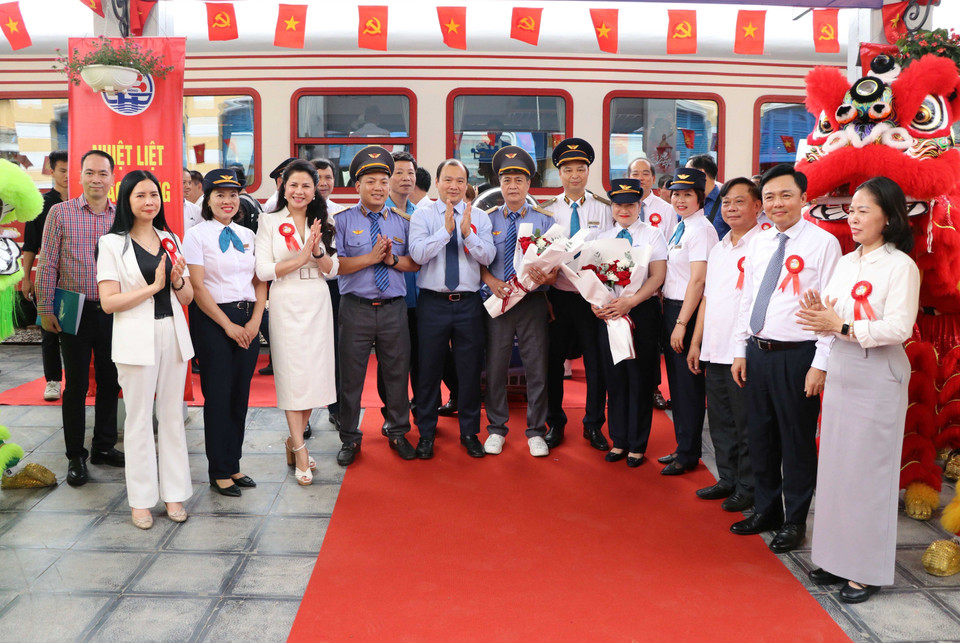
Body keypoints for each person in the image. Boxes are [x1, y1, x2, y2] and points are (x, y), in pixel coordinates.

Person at [797, 176, 919, 603]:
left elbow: (898, 328)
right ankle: (834, 557)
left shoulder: (901, 266)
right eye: (851, 210)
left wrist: (842, 326)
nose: (853, 217)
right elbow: (830, 316)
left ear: (889, 217)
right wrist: (818, 320)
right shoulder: (847, 263)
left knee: (868, 474)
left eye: (863, 210)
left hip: (879, 376)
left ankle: (865, 570)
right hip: (845, 371)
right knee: (836, 469)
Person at [730, 163, 841, 553]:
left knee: (796, 440)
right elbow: (748, 299)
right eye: (771, 197)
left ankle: (794, 520)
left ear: (803, 199)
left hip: (799, 357)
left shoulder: (824, 243)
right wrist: (741, 348)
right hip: (758, 353)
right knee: (759, 436)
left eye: (786, 195)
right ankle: (767, 509)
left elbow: (830, 308)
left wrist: (820, 363)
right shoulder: (760, 241)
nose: (778, 204)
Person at [96, 170, 195, 529]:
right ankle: (140, 500)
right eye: (140, 196)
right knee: (138, 420)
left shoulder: (170, 238)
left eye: (154, 195)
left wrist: (178, 279)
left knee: (171, 417)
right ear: (127, 201)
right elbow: (109, 303)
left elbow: (187, 297)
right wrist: (154, 286)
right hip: (135, 339)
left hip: (172, 333)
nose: (149, 202)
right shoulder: (111, 244)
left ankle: (174, 494)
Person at [36, 150, 123, 487]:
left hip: (113, 309)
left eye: (103, 173)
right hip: (72, 308)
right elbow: (48, 263)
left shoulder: (121, 217)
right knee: (75, 385)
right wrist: (45, 309)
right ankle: (76, 455)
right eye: (90, 173)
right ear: (80, 176)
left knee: (110, 380)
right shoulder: (60, 213)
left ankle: (103, 446)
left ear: (112, 178)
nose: (96, 179)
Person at [183, 168, 267, 497]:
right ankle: (218, 469)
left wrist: (256, 320)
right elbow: (199, 288)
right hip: (214, 321)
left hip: (248, 318)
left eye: (233, 194)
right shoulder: (196, 235)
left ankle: (234, 463)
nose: (227, 201)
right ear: (208, 199)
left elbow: (260, 279)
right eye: (220, 195)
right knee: (217, 396)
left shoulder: (249, 235)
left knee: (240, 396)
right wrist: (229, 326)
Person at [334, 147, 419, 465]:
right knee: (351, 377)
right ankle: (350, 438)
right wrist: (370, 258)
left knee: (397, 373)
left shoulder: (403, 222)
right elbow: (336, 266)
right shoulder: (342, 220)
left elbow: (415, 264)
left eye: (384, 180)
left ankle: (398, 431)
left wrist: (392, 259)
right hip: (355, 307)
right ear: (357, 185)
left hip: (394, 308)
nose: (379, 187)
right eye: (371, 181)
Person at [255, 160, 337, 485]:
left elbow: (333, 269)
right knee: (292, 376)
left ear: (314, 189)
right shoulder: (269, 221)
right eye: (293, 185)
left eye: (306, 185)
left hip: (317, 299)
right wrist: (298, 260)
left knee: (313, 378)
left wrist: (316, 254)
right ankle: (301, 450)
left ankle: (294, 440)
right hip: (287, 300)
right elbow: (262, 270)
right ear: (282, 187)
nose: (299, 191)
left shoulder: (325, 220)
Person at [409, 159, 496, 459]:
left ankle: (470, 432)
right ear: (437, 182)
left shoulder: (480, 217)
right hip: (432, 303)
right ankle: (426, 434)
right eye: (448, 180)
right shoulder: (423, 215)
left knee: (470, 371)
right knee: (429, 369)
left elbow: (488, 257)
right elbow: (418, 254)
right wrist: (445, 232)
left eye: (460, 181)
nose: (454, 186)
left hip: (469, 304)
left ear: (467, 184)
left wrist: (467, 233)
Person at [686, 177, 762, 511]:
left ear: (757, 206)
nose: (730, 208)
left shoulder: (766, 245)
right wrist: (696, 342)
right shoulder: (719, 247)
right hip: (714, 347)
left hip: (742, 350)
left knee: (746, 421)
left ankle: (749, 486)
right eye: (727, 202)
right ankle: (727, 478)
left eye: (739, 202)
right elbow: (708, 297)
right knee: (719, 420)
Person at [480, 146, 555, 457]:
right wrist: (492, 281)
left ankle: (536, 430)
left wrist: (545, 278)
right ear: (500, 183)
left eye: (519, 180)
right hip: (498, 302)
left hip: (532, 302)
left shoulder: (545, 220)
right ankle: (497, 428)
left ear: (528, 185)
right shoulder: (487, 219)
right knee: (495, 367)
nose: (513, 185)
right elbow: (478, 260)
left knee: (537, 368)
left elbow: (555, 267)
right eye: (507, 179)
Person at [540, 137, 612, 451]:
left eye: (580, 169)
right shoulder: (547, 210)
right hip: (558, 298)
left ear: (588, 171)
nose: (574, 175)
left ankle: (594, 425)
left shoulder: (604, 208)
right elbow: (540, 258)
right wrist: (544, 296)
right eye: (568, 169)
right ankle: (555, 423)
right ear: (559, 173)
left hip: (593, 299)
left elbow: (612, 252)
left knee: (596, 363)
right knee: (553, 363)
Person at [593, 178, 667, 467]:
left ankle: (637, 444)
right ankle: (619, 440)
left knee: (639, 379)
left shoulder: (652, 235)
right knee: (615, 378)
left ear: (639, 206)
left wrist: (630, 302)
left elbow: (657, 276)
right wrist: (596, 305)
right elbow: (593, 277)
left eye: (630, 204)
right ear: (612, 207)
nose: (624, 209)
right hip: (610, 314)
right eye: (618, 204)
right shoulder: (604, 237)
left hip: (641, 314)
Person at [659, 168, 719, 475]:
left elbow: (698, 280)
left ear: (701, 197)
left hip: (688, 310)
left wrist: (682, 323)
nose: (680, 200)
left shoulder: (702, 230)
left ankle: (689, 453)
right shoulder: (682, 227)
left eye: (687, 195)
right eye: (676, 194)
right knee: (678, 386)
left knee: (689, 385)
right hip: (672, 308)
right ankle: (683, 446)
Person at [627, 156, 676, 412]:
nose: (640, 178)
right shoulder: (620, 207)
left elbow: (669, 249)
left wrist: (660, 286)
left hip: (653, 287)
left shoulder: (666, 209)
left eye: (645, 174)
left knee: (651, 343)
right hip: (623, 288)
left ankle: (653, 387)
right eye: (635, 173)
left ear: (653, 179)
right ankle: (624, 389)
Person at [21, 150, 67, 402]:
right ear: (51, 171)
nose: (68, 175)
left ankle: (80, 379)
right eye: (62, 170)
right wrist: (27, 278)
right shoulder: (41, 204)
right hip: (49, 277)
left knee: (78, 334)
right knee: (49, 331)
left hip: (79, 279)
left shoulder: (85, 201)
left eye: (72, 170)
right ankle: (52, 380)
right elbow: (30, 245)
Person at [378, 151, 420, 424]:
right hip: (390, 301)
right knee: (390, 363)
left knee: (419, 358)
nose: (406, 178)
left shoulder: (421, 214)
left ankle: (419, 407)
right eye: (399, 173)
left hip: (419, 301)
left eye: (411, 173)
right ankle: (391, 412)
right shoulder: (378, 212)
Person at [313, 157, 345, 430]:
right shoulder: (290, 211)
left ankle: (336, 408)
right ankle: (302, 414)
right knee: (305, 352)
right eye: (318, 177)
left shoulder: (341, 212)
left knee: (335, 349)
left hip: (333, 288)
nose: (323, 183)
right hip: (305, 289)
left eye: (328, 178)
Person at [687, 155, 727, 239]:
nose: (684, 177)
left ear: (702, 173)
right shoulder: (686, 201)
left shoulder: (725, 202)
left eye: (688, 173)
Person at [182, 168, 203, 233]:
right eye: (183, 182)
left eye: (190, 183)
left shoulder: (196, 210)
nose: (188, 186)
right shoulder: (164, 208)